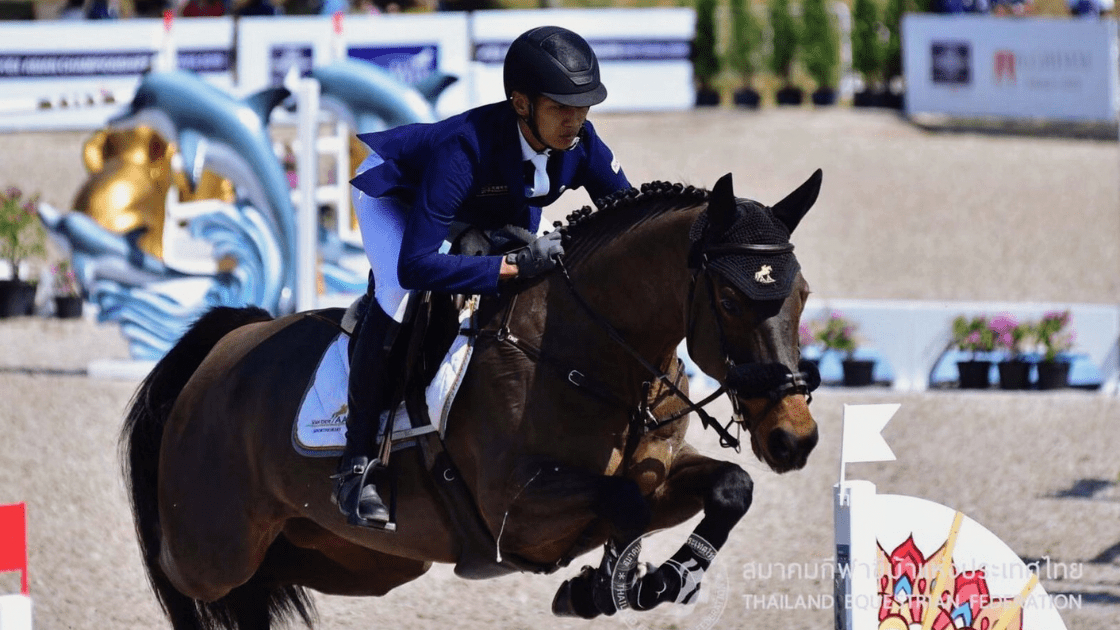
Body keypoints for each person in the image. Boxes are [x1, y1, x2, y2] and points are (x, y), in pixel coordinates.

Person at [335, 25, 631, 528]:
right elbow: (417, 264)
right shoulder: (462, 149)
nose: (576, 120)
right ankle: (357, 462)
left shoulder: (580, 141)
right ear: (521, 103)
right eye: (562, 107)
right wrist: (513, 264)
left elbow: (628, 216)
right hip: (398, 195)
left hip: (487, 200)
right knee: (400, 293)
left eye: (583, 107)